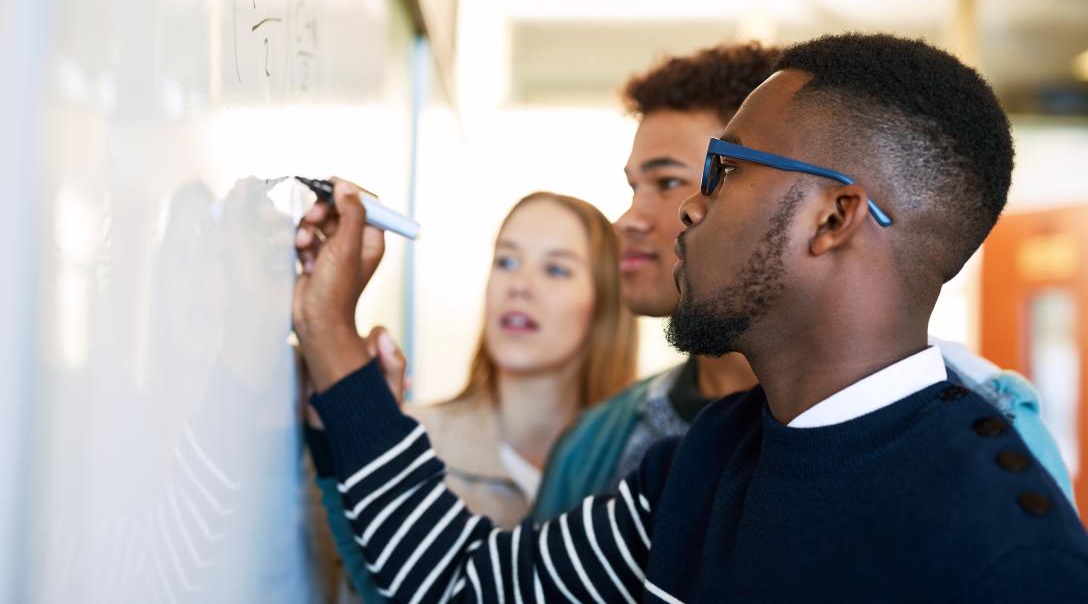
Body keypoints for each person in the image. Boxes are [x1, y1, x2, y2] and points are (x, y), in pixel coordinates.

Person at [294, 34, 1088, 602]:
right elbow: (459, 583)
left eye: (726, 169)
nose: (691, 210)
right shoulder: (707, 459)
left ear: (834, 218)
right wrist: (332, 339)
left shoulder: (1004, 552)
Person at [534, 42, 1076, 520]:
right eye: (635, 188)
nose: (638, 218)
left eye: (712, 173)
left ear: (830, 216)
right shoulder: (639, 448)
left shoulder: (991, 453)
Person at [303, 191, 638, 600]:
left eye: (555, 269)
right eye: (507, 261)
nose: (520, 286)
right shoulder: (407, 444)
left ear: (606, 301)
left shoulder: (633, 463)